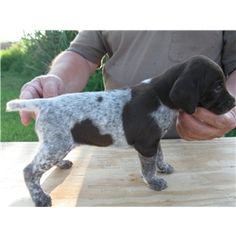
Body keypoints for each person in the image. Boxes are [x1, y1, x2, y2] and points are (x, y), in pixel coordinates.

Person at [19, 31, 236, 140]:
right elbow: (82, 55)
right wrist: (56, 80)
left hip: (197, 147)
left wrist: (231, 109)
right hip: (115, 142)